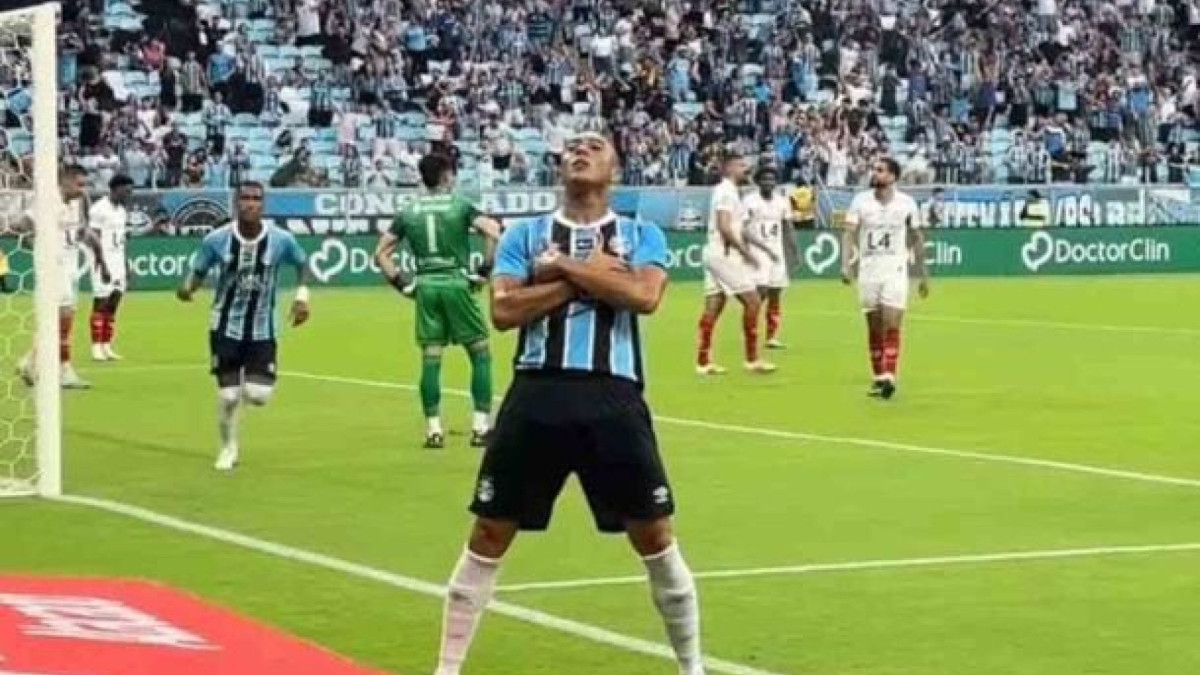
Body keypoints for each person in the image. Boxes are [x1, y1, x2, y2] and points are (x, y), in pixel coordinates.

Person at [431, 131, 706, 675]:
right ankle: (447, 668)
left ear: (615, 170)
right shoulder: (526, 235)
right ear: (560, 166)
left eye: (595, 146)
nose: (580, 151)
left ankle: (692, 668)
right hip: (536, 393)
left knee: (654, 534)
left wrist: (561, 269)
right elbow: (505, 312)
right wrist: (593, 279)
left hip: (613, 396)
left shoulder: (640, 232)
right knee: (489, 531)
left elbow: (644, 297)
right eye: (572, 147)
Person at [176, 181, 311, 470]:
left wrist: (302, 297)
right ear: (236, 203)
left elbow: (302, 263)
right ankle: (228, 447)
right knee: (227, 395)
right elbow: (198, 271)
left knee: (257, 395)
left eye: (256, 199)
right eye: (245, 198)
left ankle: (246, 394)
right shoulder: (217, 239)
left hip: (263, 327)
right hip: (224, 325)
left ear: (264, 204)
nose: (250, 203)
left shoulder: (281, 239)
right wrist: (187, 288)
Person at [374, 154, 502, 449]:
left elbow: (381, 253)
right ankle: (480, 427)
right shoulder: (460, 205)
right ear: (446, 176)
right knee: (480, 353)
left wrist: (402, 284)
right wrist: (484, 269)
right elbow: (493, 230)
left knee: (431, 357)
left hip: (427, 286)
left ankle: (434, 430)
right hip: (457, 283)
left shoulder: (409, 211)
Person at [840, 157, 930, 400]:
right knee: (874, 325)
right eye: (874, 169)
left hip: (895, 269)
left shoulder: (907, 204)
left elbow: (917, 237)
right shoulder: (860, 201)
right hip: (868, 270)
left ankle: (889, 375)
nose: (875, 173)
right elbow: (849, 234)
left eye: (880, 170)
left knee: (892, 321)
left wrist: (923, 273)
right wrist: (845, 264)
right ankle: (879, 376)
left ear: (892, 176)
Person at [17, 164, 110, 389]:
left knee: (57, 319)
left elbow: (83, 233)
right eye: (79, 184)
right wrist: (35, 244)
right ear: (65, 181)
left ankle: (30, 362)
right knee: (63, 316)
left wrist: (100, 259)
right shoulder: (49, 201)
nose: (82, 189)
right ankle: (63, 370)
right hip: (53, 267)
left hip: (69, 267)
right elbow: (24, 222)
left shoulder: (77, 204)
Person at [695, 148, 777, 375]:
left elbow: (739, 228)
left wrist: (761, 248)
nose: (745, 169)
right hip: (723, 254)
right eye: (741, 165)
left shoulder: (729, 192)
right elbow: (724, 227)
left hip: (714, 253)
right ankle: (752, 359)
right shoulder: (726, 192)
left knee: (714, 305)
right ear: (729, 167)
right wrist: (746, 253)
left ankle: (703, 362)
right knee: (752, 301)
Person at [743, 166, 798, 349]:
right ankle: (751, 329)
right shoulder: (749, 201)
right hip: (757, 253)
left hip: (776, 253)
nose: (769, 182)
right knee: (761, 292)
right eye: (765, 179)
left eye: (772, 179)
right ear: (758, 181)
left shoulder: (782, 202)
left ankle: (771, 336)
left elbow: (788, 226)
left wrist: (794, 250)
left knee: (776, 293)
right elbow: (741, 227)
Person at [87, 174, 135, 362]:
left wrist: (126, 264)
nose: (129, 194)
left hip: (117, 260)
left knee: (114, 303)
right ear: (116, 188)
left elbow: (122, 241)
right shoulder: (99, 209)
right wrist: (102, 264)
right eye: (127, 190)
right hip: (103, 261)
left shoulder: (121, 211)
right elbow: (94, 239)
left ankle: (107, 345)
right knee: (101, 302)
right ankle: (96, 346)